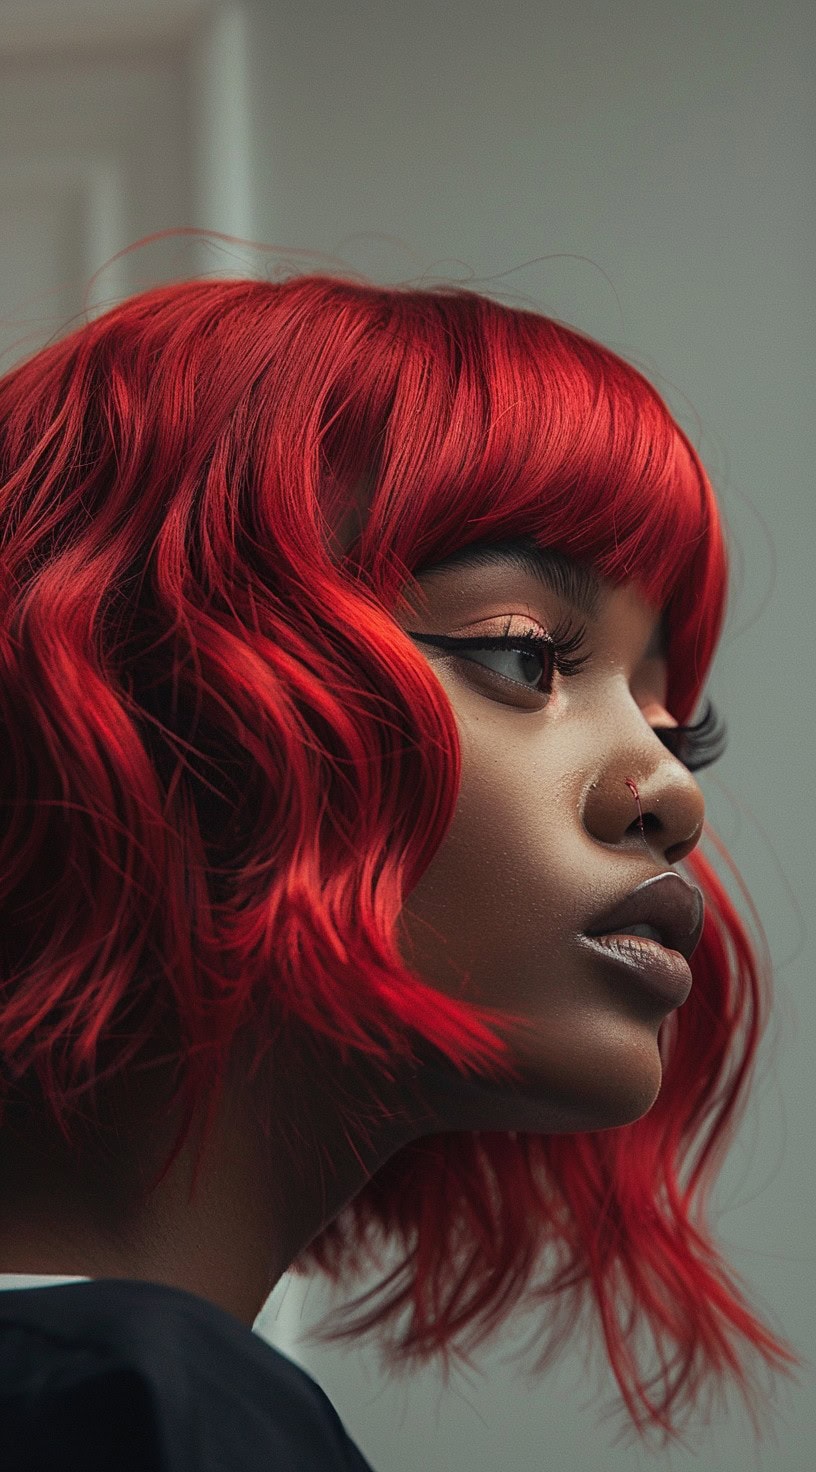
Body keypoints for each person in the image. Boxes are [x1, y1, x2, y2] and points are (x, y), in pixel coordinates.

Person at [0, 271, 803, 1467]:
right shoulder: (135, 1409)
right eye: (527, 659)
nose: (674, 793)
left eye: (674, 726)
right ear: (135, 692)